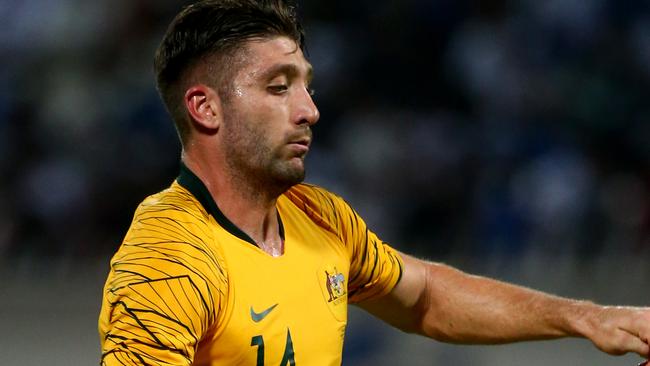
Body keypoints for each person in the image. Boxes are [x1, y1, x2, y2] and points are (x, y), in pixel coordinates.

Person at [98, 0, 650, 365]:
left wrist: (589, 317)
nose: (310, 110)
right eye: (277, 87)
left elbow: (426, 298)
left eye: (306, 86)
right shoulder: (168, 256)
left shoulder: (320, 219)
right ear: (205, 107)